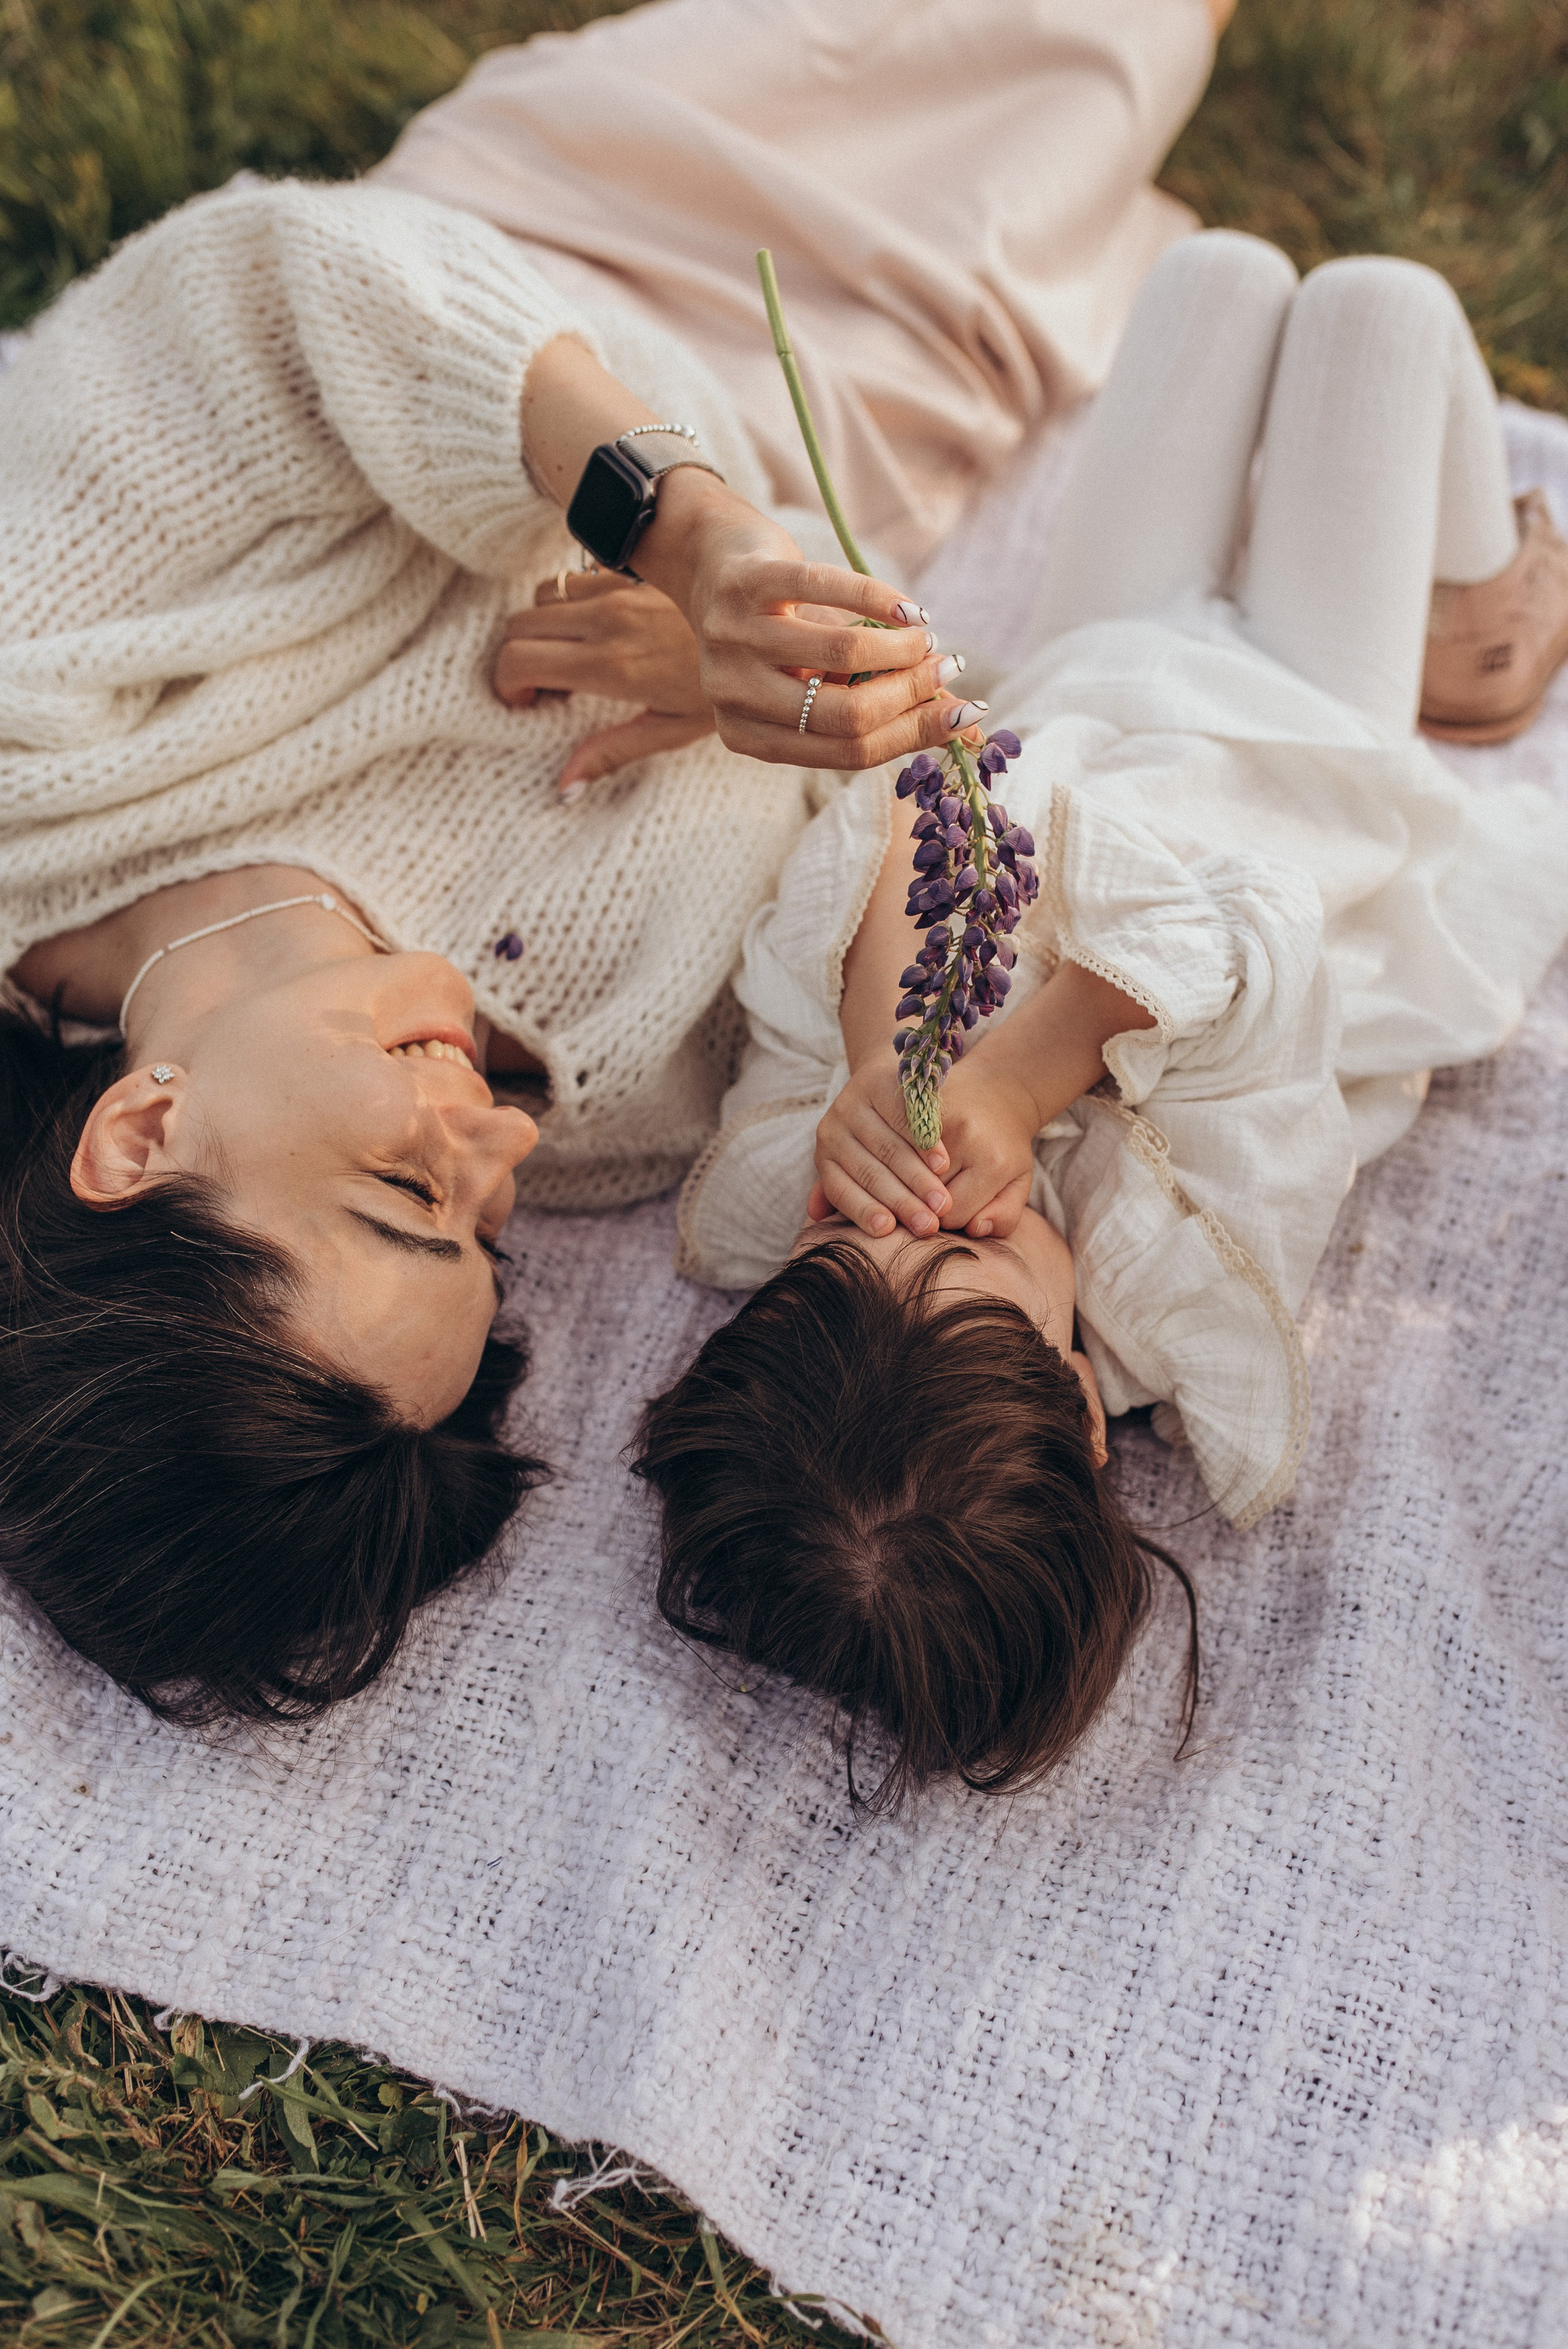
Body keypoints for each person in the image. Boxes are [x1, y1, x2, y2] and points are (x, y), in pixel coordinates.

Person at [0, 4, 1224, 1719]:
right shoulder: (609, 1104)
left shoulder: (33, 747)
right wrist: (731, 682)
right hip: (900, 404)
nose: (497, 1143)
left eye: (404, 1192)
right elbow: (914, 802)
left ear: (142, 1131)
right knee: (1142, 93)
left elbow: (270, 296)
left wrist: (686, 538)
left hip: (604, 210)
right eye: (484, 1229)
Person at [636, 230, 1568, 1810]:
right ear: (1080, 1411)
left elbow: (878, 840)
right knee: (1380, 314)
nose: (924, 1186)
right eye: (976, 1245)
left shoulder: (769, 1197)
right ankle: (1483, 620)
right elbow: (1247, 947)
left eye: (847, 1230)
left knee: (1210, 277)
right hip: (1294, 741)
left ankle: (1398, 569)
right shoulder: (1177, 1284)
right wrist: (1016, 1067)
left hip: (1077, 690)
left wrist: (884, 1059)